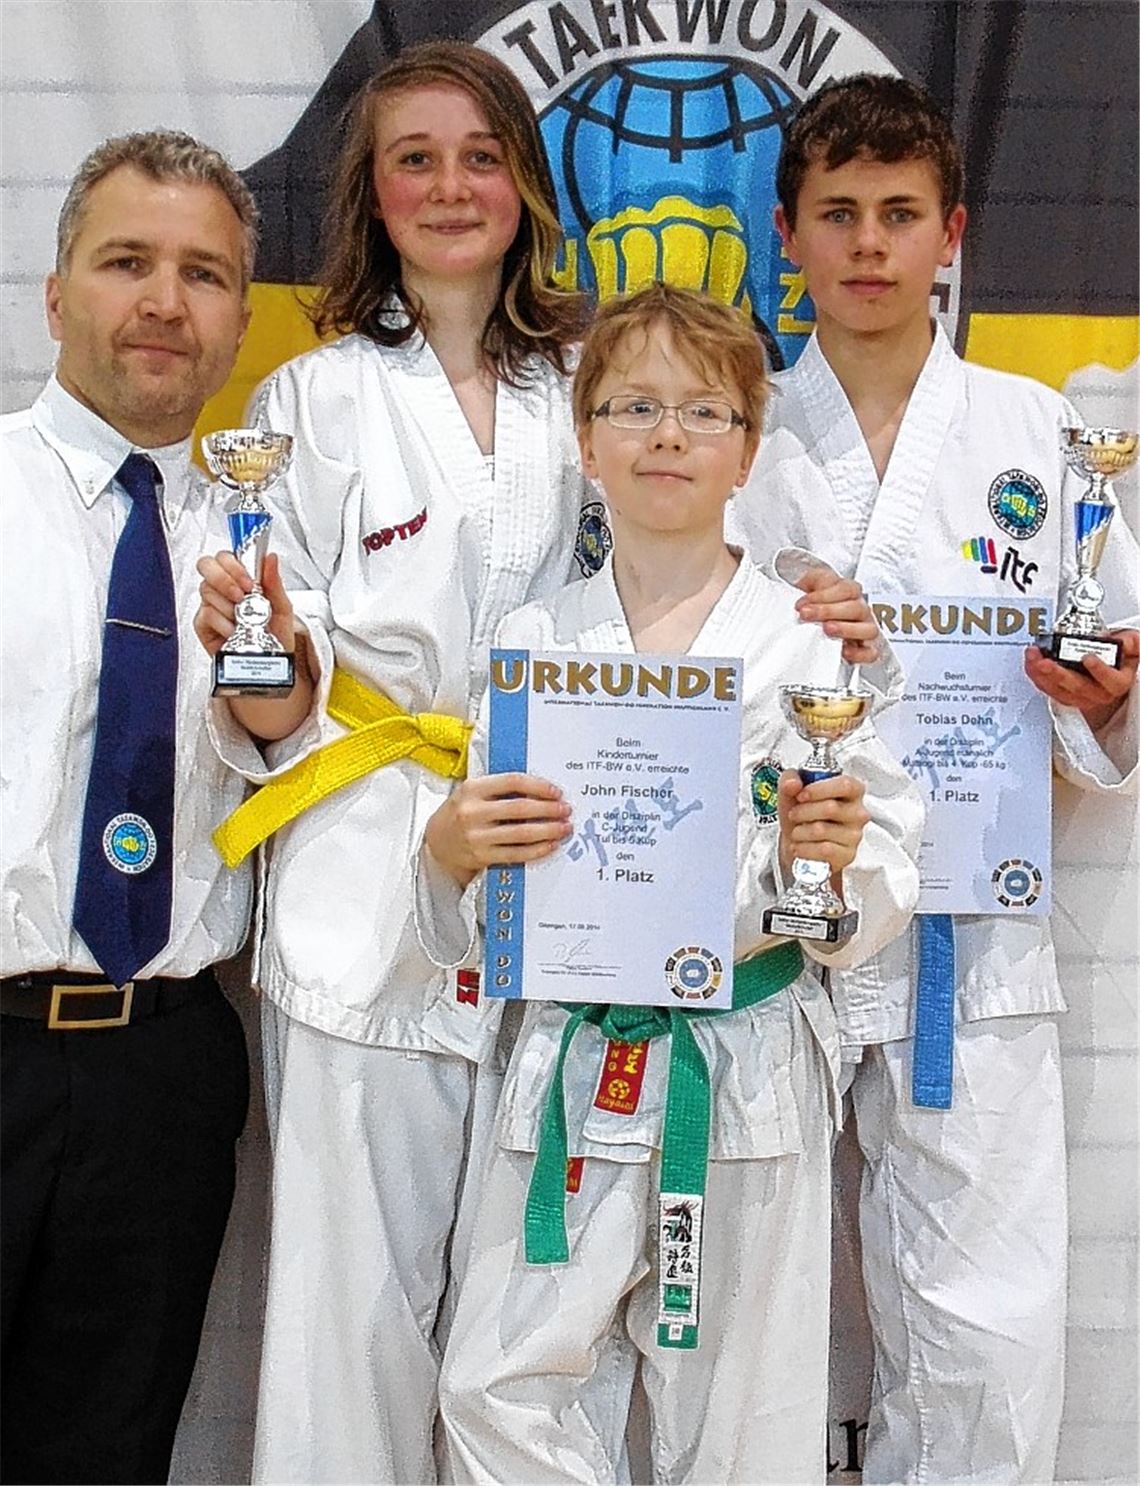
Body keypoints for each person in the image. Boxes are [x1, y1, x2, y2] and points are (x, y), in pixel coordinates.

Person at [192, 40, 615, 1486]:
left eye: (480, 154)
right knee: (349, 1312)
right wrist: (277, 681)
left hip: (565, 871)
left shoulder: (595, 385)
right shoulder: (306, 401)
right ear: (370, 194)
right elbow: (263, 698)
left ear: (525, 185)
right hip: (367, 877)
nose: (449, 185)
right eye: (413, 157)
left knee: (543, 1322)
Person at [421, 283, 923, 1484]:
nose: (666, 436)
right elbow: (479, 914)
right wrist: (452, 852)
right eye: (635, 406)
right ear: (586, 439)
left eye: (704, 411)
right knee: (497, 1385)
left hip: (743, 1052)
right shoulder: (538, 641)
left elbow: (886, 859)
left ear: (749, 446)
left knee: (747, 1416)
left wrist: (840, 860)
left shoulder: (811, 646)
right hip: (570, 1055)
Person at [726, 74, 1140, 1485]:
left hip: (971, 909)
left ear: (952, 230)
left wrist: (1108, 701)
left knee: (989, 1315)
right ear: (785, 232)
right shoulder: (727, 428)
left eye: (900, 213)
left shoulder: (1042, 435)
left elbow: (1108, 691)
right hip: (769, 908)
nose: (868, 243)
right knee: (737, 1305)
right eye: (835, 213)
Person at [0, 131, 256, 1485]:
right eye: (127, 262)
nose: (165, 300)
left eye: (204, 273)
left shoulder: (275, 541)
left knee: (101, 1456)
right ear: (55, 295)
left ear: (237, 319)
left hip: (163, 1061)